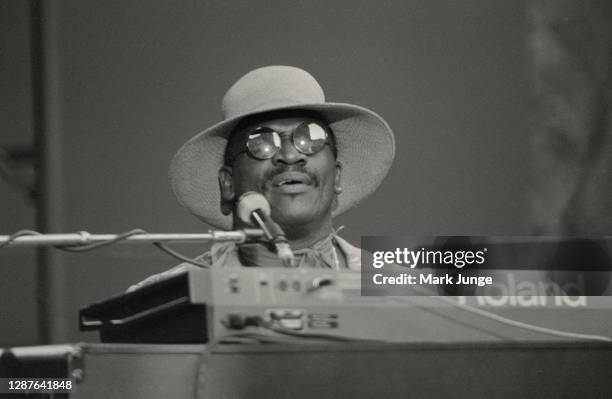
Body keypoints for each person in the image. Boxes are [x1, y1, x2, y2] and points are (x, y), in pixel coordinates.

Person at [128, 65, 394, 291]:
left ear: (337, 177)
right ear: (227, 184)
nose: (290, 156)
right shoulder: (168, 298)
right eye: (262, 142)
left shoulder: (402, 290)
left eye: (310, 138)